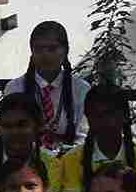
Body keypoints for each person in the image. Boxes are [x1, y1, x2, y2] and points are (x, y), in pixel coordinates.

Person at [52, 85, 136, 192]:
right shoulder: (71, 159)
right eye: (95, 115)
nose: (102, 121)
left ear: (125, 116)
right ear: (88, 118)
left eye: (109, 114)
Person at [11, 19, 89, 150]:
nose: (45, 55)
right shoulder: (15, 88)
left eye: (52, 49)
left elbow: (83, 136)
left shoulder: (81, 89)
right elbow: (11, 135)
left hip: (71, 157)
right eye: (38, 49)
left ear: (65, 50)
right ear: (32, 52)